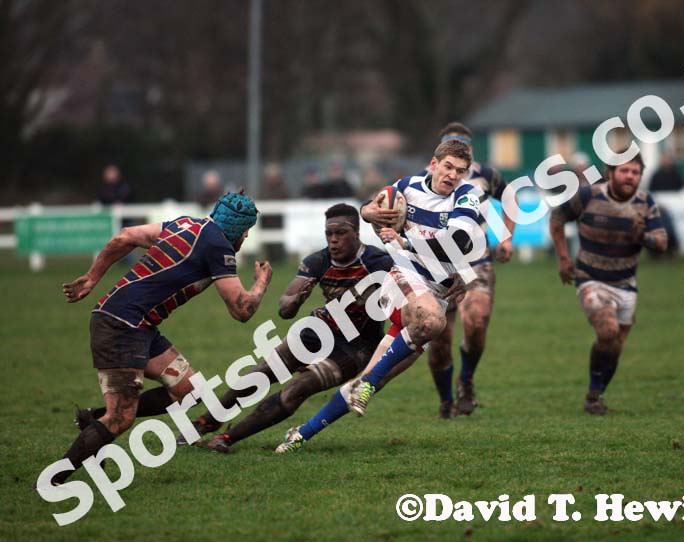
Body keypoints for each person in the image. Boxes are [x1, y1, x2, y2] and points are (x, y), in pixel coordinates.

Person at [49, 191, 272, 486]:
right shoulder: (218, 246)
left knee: (189, 390)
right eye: (245, 231)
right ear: (235, 228)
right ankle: (51, 482)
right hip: (122, 327)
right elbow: (241, 310)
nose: (244, 238)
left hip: (137, 325)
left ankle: (94, 419)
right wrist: (260, 284)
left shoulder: (183, 224)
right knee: (121, 418)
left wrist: (93, 277)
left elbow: (125, 237)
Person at [273, 139, 478, 452]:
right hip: (402, 279)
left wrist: (413, 245)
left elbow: (461, 240)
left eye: (460, 171)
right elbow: (372, 206)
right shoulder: (408, 187)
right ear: (434, 164)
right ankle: (366, 385)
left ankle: (301, 433)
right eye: (448, 166)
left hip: (433, 296)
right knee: (434, 324)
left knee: (374, 377)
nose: (452, 175)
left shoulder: (467, 195)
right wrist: (368, 212)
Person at [188, 204, 395, 453]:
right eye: (329, 233)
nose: (333, 240)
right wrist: (295, 299)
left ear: (357, 233)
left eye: (340, 233)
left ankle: (228, 438)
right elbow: (285, 310)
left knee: (300, 388)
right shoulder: (318, 260)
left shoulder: (380, 262)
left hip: (357, 347)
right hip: (318, 330)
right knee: (262, 372)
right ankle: (205, 422)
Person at [549, 154, 667, 415]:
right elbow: (557, 218)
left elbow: (661, 242)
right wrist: (564, 258)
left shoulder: (645, 203)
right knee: (608, 330)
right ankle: (594, 395)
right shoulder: (589, 195)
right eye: (624, 171)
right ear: (610, 172)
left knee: (614, 346)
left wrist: (643, 237)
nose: (630, 177)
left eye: (635, 172)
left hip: (626, 283)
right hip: (590, 278)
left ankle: (595, 395)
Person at [422, 122, 516, 418]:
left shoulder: (486, 175)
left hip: (477, 261)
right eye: (451, 144)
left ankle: (467, 380)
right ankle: (446, 400)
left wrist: (506, 236)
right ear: (440, 151)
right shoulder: (425, 178)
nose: (459, 149)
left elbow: (511, 196)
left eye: (463, 145)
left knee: (476, 323)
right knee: (439, 342)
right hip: (437, 268)